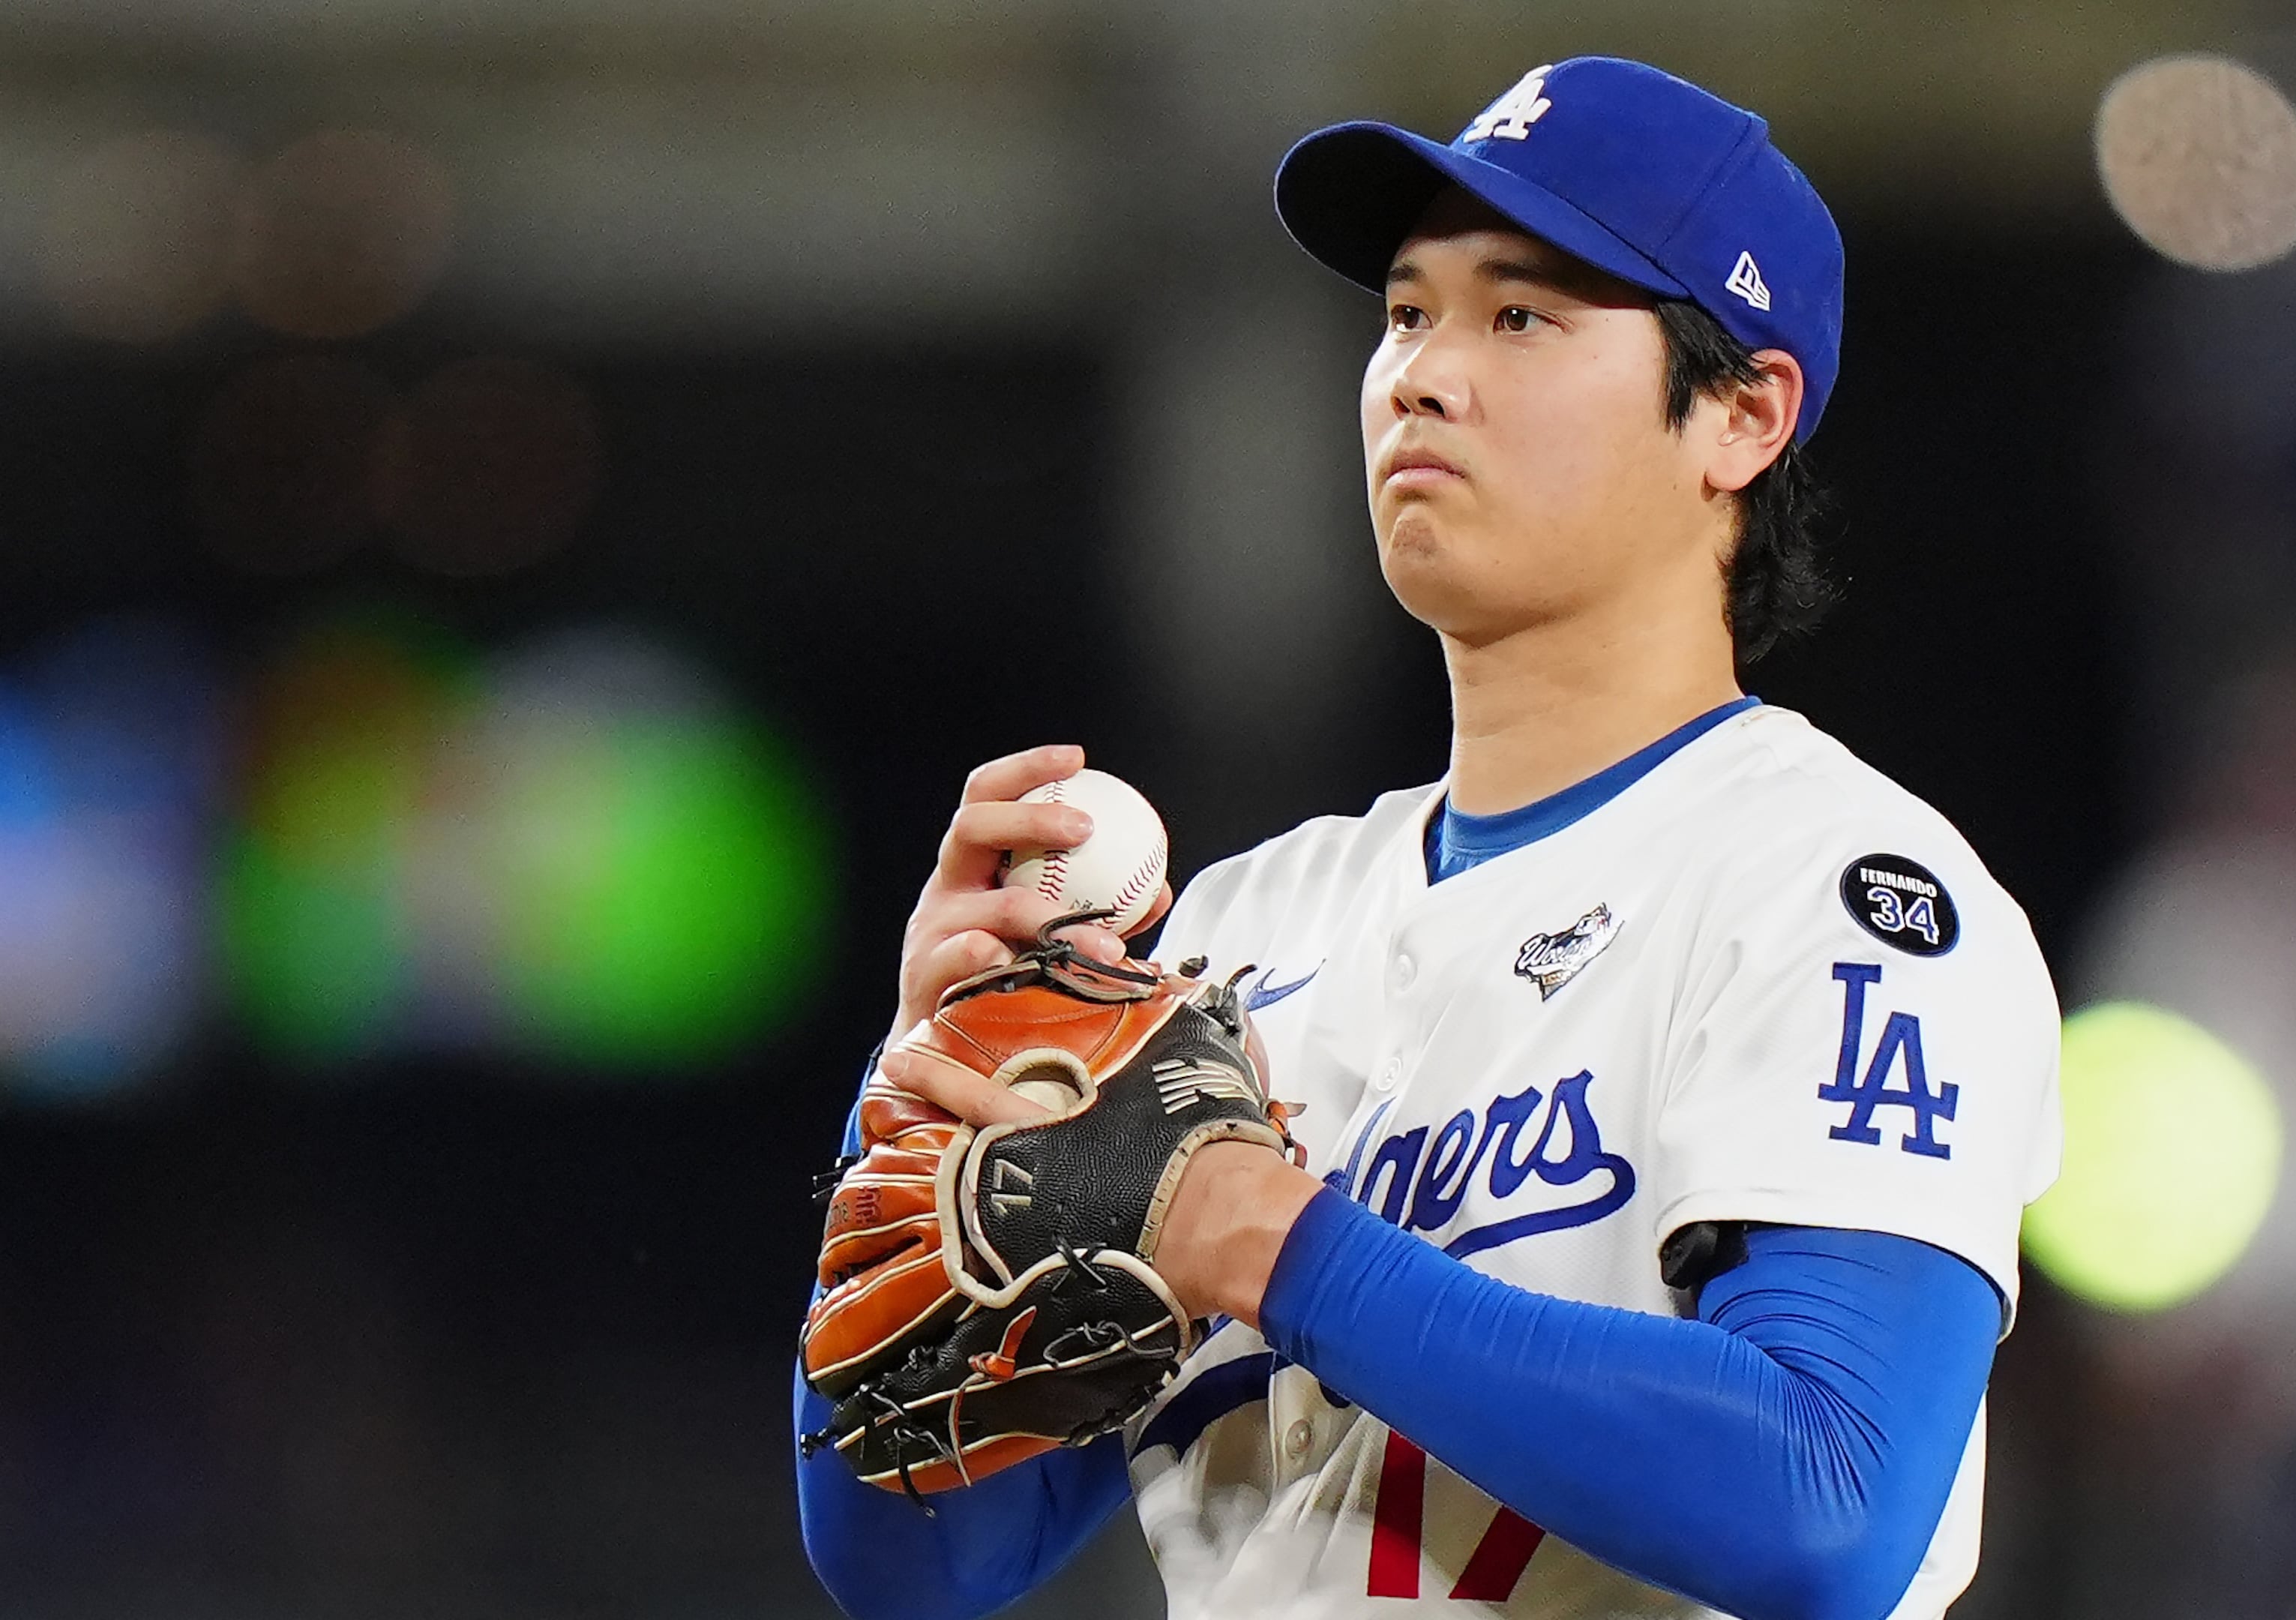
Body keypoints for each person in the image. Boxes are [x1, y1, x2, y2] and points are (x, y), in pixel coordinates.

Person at [797, 56, 2064, 1620]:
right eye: (1407, 313)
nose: (1422, 374)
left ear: (1743, 412)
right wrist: (921, 1120)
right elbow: (921, 1567)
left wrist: (1279, 1245)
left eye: (1520, 316)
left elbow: (1828, 1502)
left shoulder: (1844, 894)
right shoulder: (1231, 938)